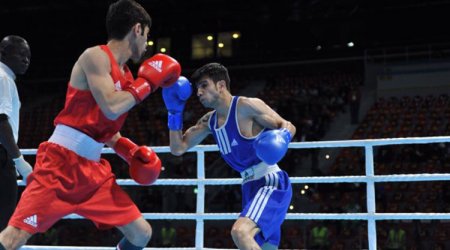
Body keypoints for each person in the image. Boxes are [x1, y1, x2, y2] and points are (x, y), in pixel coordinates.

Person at [0, 0, 181, 249]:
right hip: (58, 166)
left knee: (141, 233)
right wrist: (149, 83)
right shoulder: (94, 56)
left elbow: (108, 129)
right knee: (13, 238)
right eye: (147, 35)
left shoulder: (128, 76)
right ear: (137, 29)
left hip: (93, 173)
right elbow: (111, 105)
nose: (147, 43)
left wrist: (130, 152)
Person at [162, 63, 296, 250]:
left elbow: (287, 125)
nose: (199, 92)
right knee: (264, 247)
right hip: (249, 187)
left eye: (204, 85)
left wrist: (282, 137)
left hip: (270, 183)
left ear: (221, 85)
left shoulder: (246, 106)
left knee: (240, 232)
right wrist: (174, 113)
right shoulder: (209, 121)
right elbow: (178, 148)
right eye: (198, 87)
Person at [0, 35, 33, 231]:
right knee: (4, 225)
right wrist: (20, 162)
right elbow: (1, 121)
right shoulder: (3, 78)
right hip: (2, 158)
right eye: (21, 54)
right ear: (3, 53)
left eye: (28, 56)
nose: (26, 59)